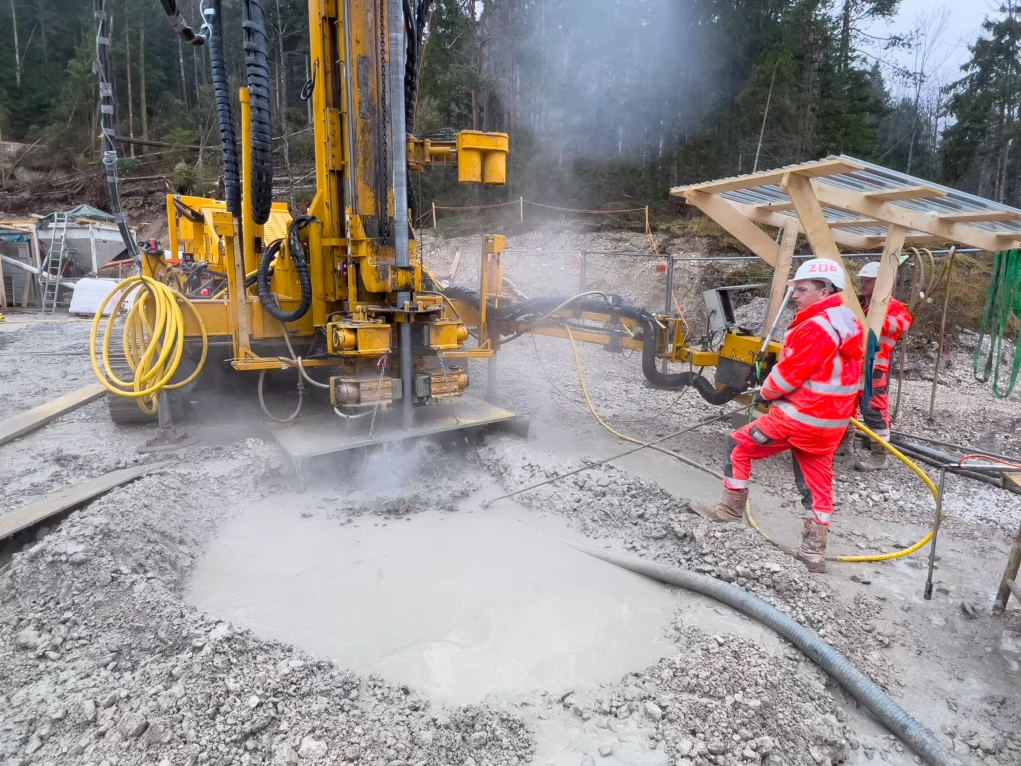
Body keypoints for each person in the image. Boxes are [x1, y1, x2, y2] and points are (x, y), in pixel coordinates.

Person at [693, 258, 864, 573]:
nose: (796, 296)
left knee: (739, 445)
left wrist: (765, 392)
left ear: (825, 290)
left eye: (802, 289)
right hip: (830, 426)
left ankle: (729, 514)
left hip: (798, 418)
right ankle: (813, 553)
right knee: (816, 482)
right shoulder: (847, 323)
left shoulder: (815, 327)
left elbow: (789, 375)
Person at [840, 261, 913, 471]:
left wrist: (877, 320)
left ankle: (879, 457)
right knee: (846, 405)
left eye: (868, 281)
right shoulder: (861, 304)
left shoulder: (891, 305)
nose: (862, 284)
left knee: (873, 411)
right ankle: (846, 444)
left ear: (880, 283)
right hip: (854, 366)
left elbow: (904, 323)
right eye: (861, 280)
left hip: (875, 370)